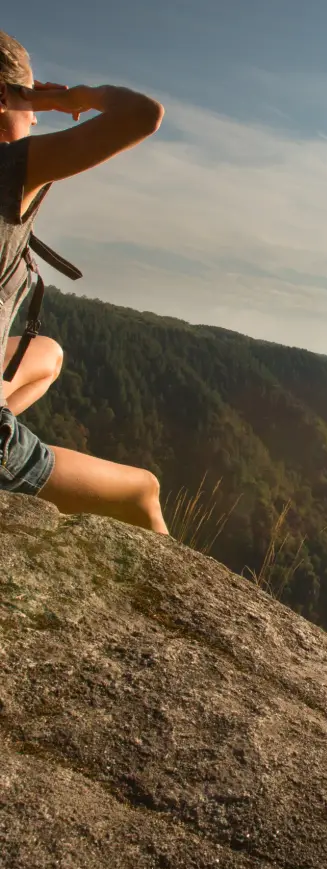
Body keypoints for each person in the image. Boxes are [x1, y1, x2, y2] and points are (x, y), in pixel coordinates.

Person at [0, 29, 168, 534]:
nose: (35, 117)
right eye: (30, 101)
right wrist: (75, 98)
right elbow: (142, 114)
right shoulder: (10, 168)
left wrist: (28, 95)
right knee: (143, 490)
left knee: (46, 354)